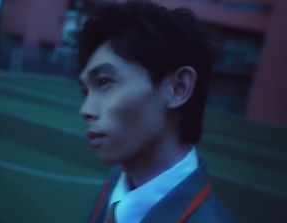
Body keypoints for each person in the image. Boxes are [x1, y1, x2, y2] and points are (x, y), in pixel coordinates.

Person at [76, 1, 237, 222]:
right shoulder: (117, 183)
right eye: (86, 91)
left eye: (105, 81)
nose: (85, 110)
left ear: (178, 88)